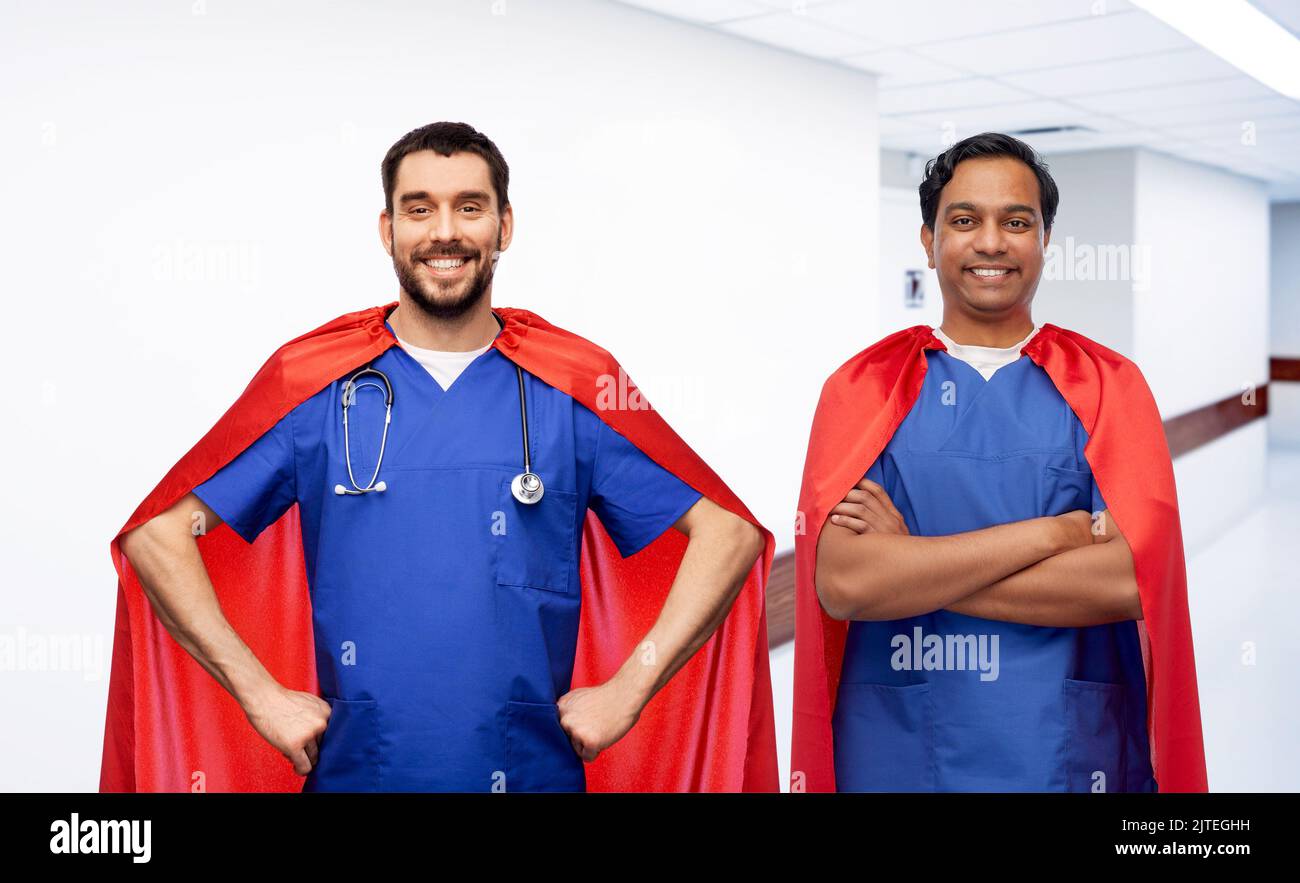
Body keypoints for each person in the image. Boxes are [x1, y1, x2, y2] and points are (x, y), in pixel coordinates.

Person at [101, 121, 778, 793]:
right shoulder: (313, 385)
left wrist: (630, 686)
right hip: (359, 774)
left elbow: (729, 532)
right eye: (419, 209)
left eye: (470, 207)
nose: (444, 232)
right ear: (387, 229)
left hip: (529, 773)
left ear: (504, 227)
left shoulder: (573, 385)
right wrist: (260, 692)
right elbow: (161, 535)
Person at [791, 132, 1207, 793]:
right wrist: (1057, 532)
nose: (991, 242)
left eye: (1017, 221)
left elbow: (1131, 581)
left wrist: (913, 564)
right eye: (964, 220)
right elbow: (845, 582)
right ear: (928, 241)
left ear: (1046, 241)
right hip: (899, 747)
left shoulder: (1109, 387)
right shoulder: (862, 388)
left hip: (1062, 750)